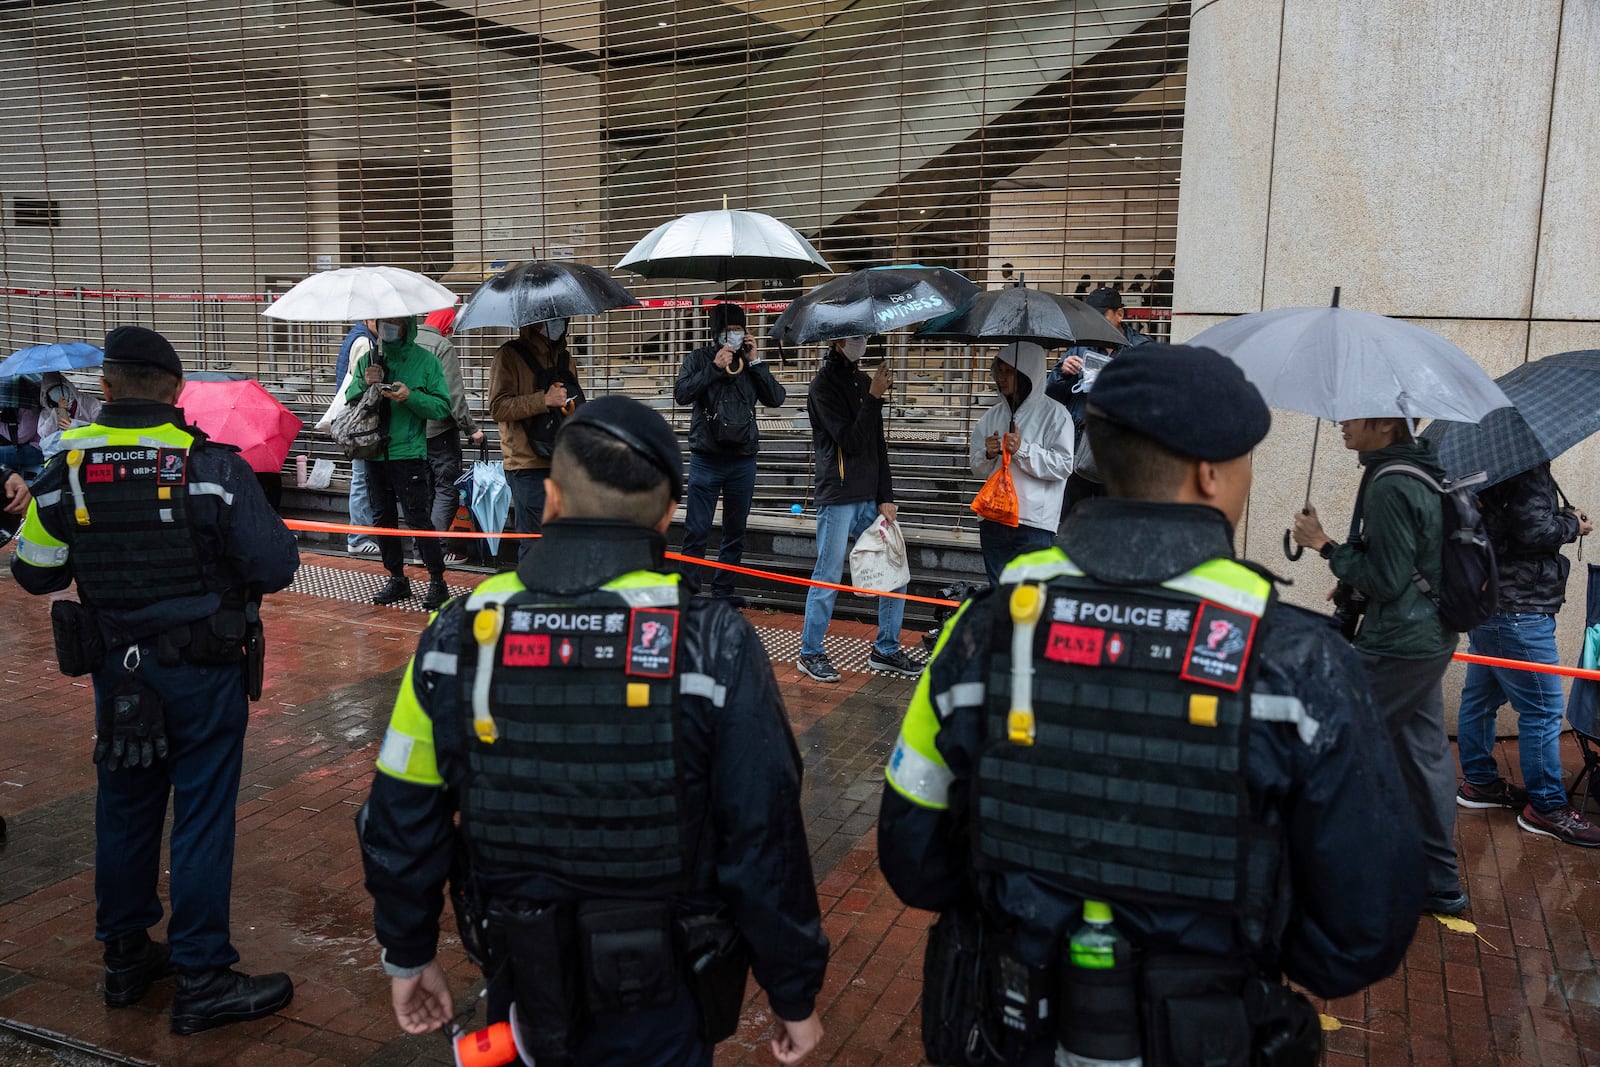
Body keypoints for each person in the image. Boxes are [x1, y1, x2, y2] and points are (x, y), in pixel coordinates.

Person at [881, 344, 1423, 1066]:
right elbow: (1359, 933)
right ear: (1210, 472)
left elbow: (912, 858)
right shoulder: (1301, 662)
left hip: (1009, 1032)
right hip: (1210, 1037)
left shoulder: (983, 629)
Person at [357, 396, 828, 1066]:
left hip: (522, 993)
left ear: (549, 500)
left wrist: (407, 951)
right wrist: (793, 991)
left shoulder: (458, 635)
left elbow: (401, 810)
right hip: (665, 1000)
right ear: (667, 515)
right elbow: (766, 833)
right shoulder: (712, 642)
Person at [10, 326, 301, 1034]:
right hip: (203, 674)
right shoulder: (211, 469)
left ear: (104, 388)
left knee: (125, 809)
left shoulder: (65, 470)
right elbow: (276, 563)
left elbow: (34, 571)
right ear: (175, 391)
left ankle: (126, 959)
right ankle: (202, 977)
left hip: (120, 678)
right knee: (200, 817)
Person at [1292, 417, 1467, 913]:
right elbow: (1406, 561)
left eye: (1352, 413)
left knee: (1333, 743)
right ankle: (1439, 882)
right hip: (1429, 634)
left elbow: (1388, 580)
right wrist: (1355, 578)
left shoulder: (1391, 483)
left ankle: (1321, 867)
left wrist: (1323, 544)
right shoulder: (1418, 471)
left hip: (1397, 643)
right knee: (1424, 757)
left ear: (1386, 422)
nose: (1340, 422)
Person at [1455, 463, 1600, 846]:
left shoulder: (1489, 466)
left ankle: (1480, 785)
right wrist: (1573, 525)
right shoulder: (1526, 469)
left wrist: (1561, 514)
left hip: (1488, 602)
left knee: (1480, 699)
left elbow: (1509, 525)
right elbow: (1535, 530)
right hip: (1520, 612)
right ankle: (1547, 807)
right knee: (1543, 710)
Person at [797, 336, 921, 682]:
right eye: (855, 338)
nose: (862, 343)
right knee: (828, 574)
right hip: (837, 495)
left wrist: (887, 494)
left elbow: (876, 444)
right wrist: (874, 397)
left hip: (869, 494)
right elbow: (849, 440)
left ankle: (886, 647)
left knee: (896, 569)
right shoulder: (823, 386)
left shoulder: (864, 382)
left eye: (865, 336)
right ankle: (810, 652)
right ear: (837, 340)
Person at [673, 302, 786, 602]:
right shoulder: (699, 358)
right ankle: (688, 593)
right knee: (696, 531)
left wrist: (757, 361)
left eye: (738, 329)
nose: (734, 335)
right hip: (706, 459)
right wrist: (713, 368)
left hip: (742, 460)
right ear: (716, 333)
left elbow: (776, 398)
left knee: (735, 531)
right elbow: (681, 393)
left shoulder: (749, 363)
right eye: (728, 330)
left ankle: (724, 592)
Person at [345, 315, 453, 609]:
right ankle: (396, 577)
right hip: (373, 451)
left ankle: (437, 580)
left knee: (418, 518)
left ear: (408, 324)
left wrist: (410, 397)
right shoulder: (370, 358)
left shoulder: (425, 361)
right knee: (383, 520)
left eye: (395, 321)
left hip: (409, 453)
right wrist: (364, 384)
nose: (389, 326)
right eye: (384, 321)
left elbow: (442, 406)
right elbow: (350, 397)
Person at [968, 341, 1074, 584]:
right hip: (994, 519)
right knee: (999, 595)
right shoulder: (992, 416)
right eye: (999, 371)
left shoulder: (1056, 415)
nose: (1002, 378)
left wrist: (1023, 450)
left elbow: (1063, 465)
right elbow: (976, 467)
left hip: (1034, 523)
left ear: (1027, 373)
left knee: (1030, 598)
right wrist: (988, 454)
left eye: (1009, 371)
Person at [1046, 286, 1152, 516]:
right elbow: (1052, 394)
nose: (1094, 321)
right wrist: (1063, 372)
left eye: (1101, 315)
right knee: (1072, 518)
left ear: (1120, 314)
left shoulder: (1142, 349)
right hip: (1079, 446)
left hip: (1121, 452)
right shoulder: (1080, 346)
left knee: (1114, 521)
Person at [488, 318, 585, 562]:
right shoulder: (509, 356)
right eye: (550, 318)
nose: (558, 323)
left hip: (563, 461)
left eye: (561, 318)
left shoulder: (565, 358)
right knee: (535, 544)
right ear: (535, 322)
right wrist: (543, 400)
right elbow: (497, 407)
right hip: (527, 464)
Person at [414, 307, 485, 557]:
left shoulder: (409, 341)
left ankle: (419, 550)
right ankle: (436, 552)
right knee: (446, 489)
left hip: (412, 434)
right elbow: (454, 395)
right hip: (440, 433)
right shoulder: (442, 346)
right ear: (447, 325)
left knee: (423, 491)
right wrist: (471, 429)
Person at [334, 320, 381, 556]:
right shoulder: (364, 343)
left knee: (362, 477)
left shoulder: (357, 336)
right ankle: (359, 536)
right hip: (361, 424)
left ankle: (361, 534)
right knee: (362, 478)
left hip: (356, 421)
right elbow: (362, 385)